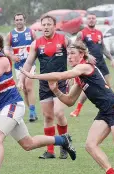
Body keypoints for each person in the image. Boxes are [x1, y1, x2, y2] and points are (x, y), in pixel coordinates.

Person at [0, 31, 76, 174]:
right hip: (4, 107)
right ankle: (63, 140)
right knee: (28, 144)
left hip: (13, 105)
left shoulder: (2, 60)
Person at [20, 41, 114, 174]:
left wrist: (34, 77)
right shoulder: (79, 76)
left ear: (82, 54)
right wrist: (55, 90)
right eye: (68, 54)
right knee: (90, 145)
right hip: (104, 111)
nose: (69, 57)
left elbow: (63, 75)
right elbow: (69, 101)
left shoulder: (85, 67)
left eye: (73, 54)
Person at [18, 15, 71, 159]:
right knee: (48, 116)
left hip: (61, 82)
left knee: (59, 113)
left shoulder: (64, 39)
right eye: (44, 25)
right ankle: (50, 151)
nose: (46, 27)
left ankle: (65, 143)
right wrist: (22, 79)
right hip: (44, 83)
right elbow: (28, 63)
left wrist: (79, 69)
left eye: (49, 24)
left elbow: (74, 54)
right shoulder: (37, 43)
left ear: (55, 26)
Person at [70, 13, 114, 117]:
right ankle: (77, 110)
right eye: (89, 18)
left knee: (107, 87)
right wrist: (87, 56)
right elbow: (76, 47)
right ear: (87, 20)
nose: (91, 20)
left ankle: (112, 107)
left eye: (93, 18)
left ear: (96, 20)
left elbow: (103, 47)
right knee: (87, 88)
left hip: (101, 63)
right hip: (88, 65)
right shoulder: (82, 33)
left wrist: (111, 59)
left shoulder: (99, 33)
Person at [4, 13, 37, 122]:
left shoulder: (31, 32)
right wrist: (12, 56)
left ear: (24, 21)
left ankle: (32, 111)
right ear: (14, 21)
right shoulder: (11, 35)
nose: (19, 21)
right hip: (19, 67)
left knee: (29, 86)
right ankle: (32, 110)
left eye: (20, 19)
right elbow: (6, 49)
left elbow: (39, 44)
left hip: (30, 64)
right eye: (17, 20)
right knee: (25, 90)